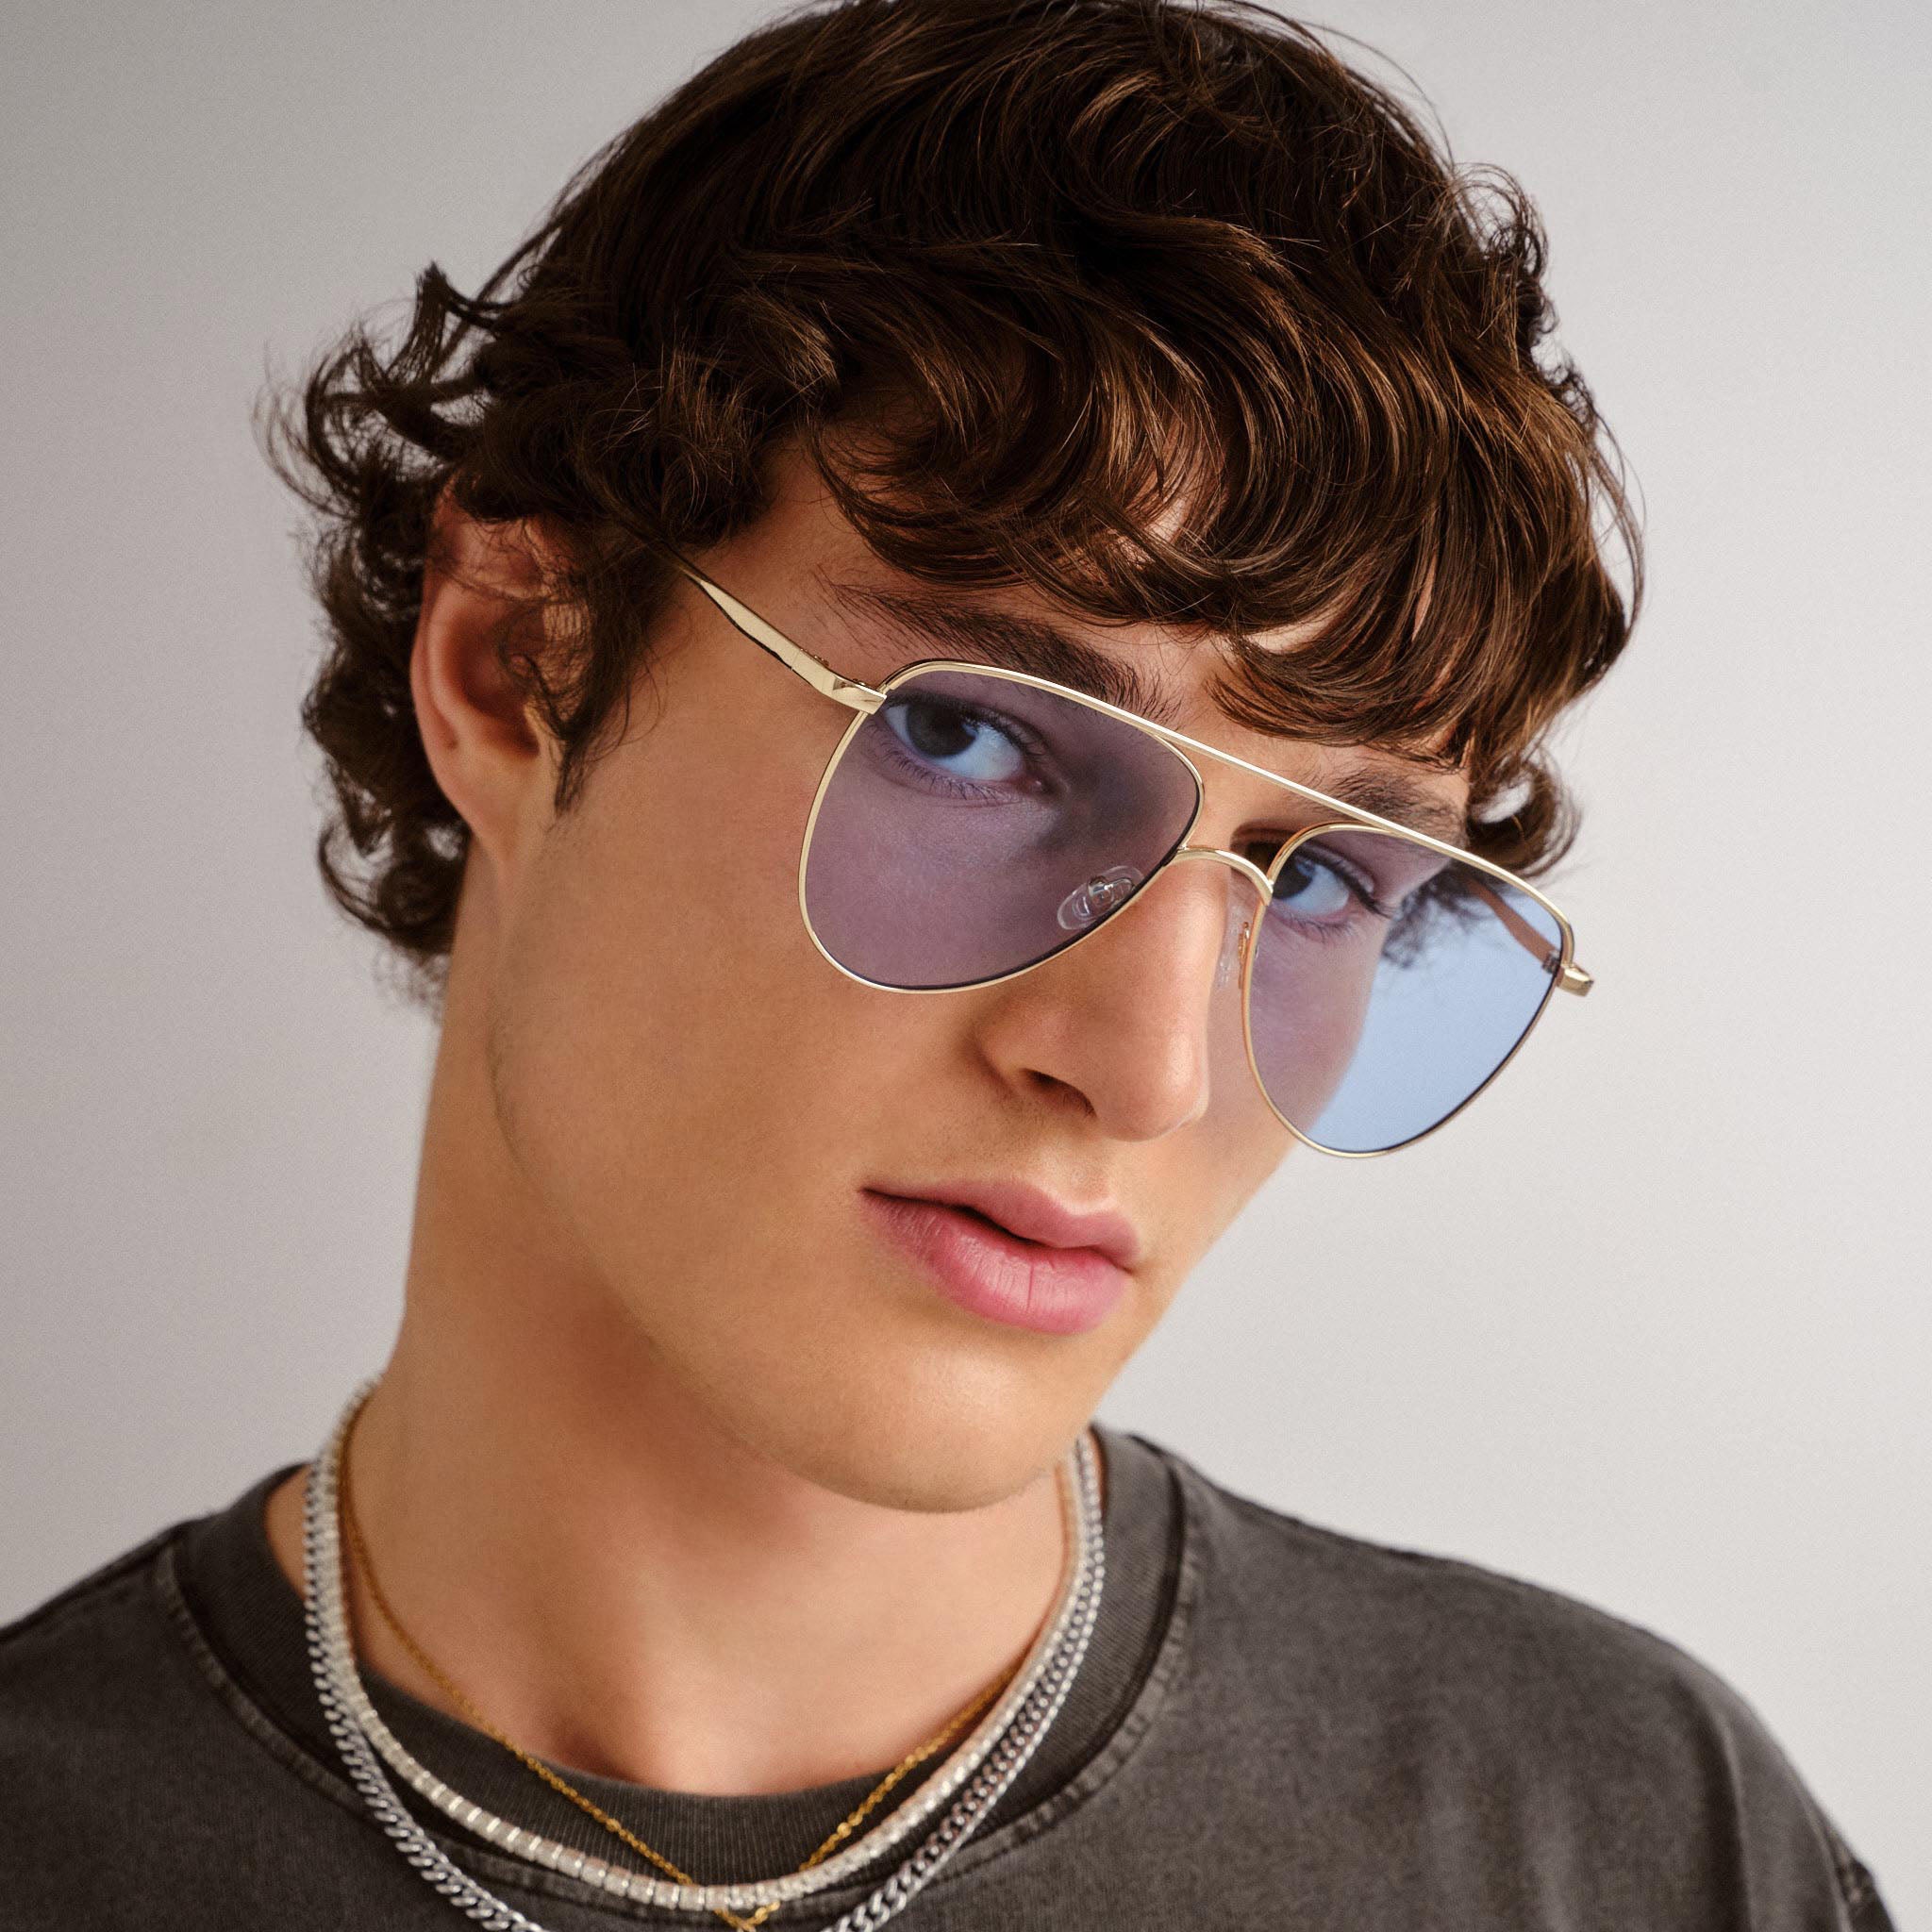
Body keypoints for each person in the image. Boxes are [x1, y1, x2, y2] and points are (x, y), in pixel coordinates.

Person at [0, 1, 1897, 1924]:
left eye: (1322, 875)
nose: (1147, 1066)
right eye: (973, 739)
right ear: (518, 665)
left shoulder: (1626, 1851)